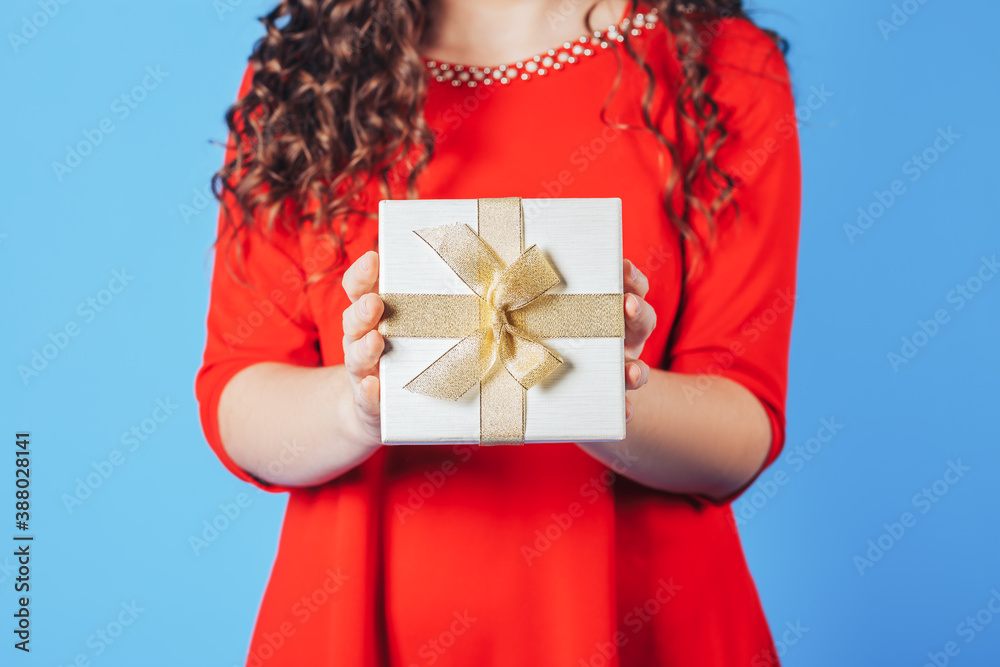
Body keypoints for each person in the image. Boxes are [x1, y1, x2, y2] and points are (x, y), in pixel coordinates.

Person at [195, 0, 801, 664]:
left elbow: (743, 423)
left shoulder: (720, 67)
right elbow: (240, 397)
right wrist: (361, 404)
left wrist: (604, 394)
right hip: (355, 626)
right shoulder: (310, 74)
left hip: (643, 626)